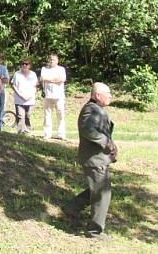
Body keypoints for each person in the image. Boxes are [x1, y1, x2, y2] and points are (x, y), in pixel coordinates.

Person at [65, 83, 118, 239]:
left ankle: (71, 208)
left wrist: (111, 146)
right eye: (107, 93)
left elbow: (100, 131)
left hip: (98, 158)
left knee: (97, 190)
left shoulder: (96, 109)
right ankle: (94, 231)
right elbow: (88, 130)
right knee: (103, 193)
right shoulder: (90, 109)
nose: (110, 96)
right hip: (94, 159)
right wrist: (106, 143)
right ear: (97, 95)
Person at [41, 53, 67, 139]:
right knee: (47, 114)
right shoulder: (44, 69)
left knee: (60, 114)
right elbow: (43, 78)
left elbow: (62, 79)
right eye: (51, 59)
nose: (52, 61)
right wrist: (54, 80)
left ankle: (61, 134)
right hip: (47, 95)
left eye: (54, 60)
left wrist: (50, 80)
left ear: (57, 61)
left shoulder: (61, 69)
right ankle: (47, 134)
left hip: (59, 95)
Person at [12, 58, 38, 134]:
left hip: (30, 99)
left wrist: (29, 96)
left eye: (26, 64)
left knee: (28, 115)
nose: (24, 65)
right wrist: (21, 95)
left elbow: (35, 86)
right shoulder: (17, 74)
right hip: (19, 99)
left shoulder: (33, 74)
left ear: (29, 65)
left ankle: (28, 130)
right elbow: (14, 86)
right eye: (23, 64)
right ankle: (20, 131)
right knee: (20, 116)